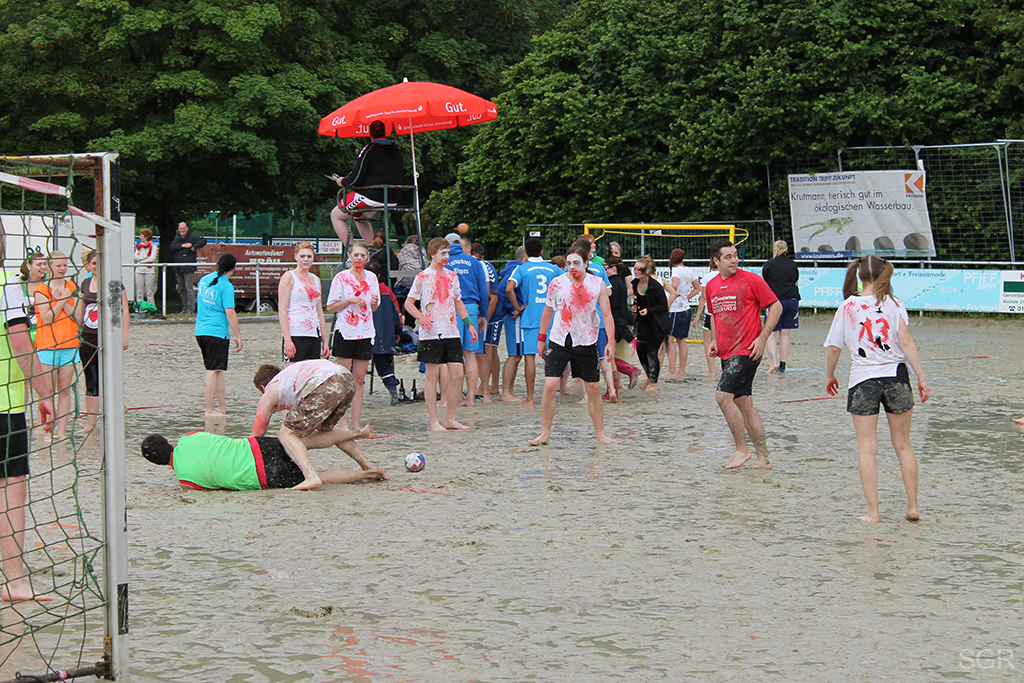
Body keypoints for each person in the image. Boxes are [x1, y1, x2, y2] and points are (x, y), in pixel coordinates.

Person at [824, 256, 929, 523]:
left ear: (859, 275)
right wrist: (921, 376)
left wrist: (830, 375)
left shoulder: (847, 306)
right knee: (904, 446)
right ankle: (913, 506)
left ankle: (873, 513)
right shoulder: (894, 304)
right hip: (896, 376)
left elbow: (835, 348)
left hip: (863, 379)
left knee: (867, 450)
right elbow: (906, 342)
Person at [1, 244, 55, 602]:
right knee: (10, 492)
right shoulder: (7, 284)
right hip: (4, 409)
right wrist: (45, 393)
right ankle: (14, 582)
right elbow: (20, 343)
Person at [706, 239, 782, 470]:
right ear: (716, 261)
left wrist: (762, 338)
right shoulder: (711, 286)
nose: (734, 260)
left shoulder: (751, 280)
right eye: (728, 257)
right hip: (727, 352)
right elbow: (715, 316)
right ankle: (764, 458)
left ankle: (742, 450)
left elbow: (776, 307)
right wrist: (715, 340)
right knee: (744, 403)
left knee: (722, 397)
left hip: (747, 349)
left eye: (736, 255)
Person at [530, 246, 615, 446]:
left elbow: (607, 314)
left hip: (586, 340)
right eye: (569, 263)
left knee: (593, 388)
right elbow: (547, 312)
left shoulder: (597, 284)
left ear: (586, 263)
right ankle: (545, 433)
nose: (572, 267)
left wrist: (610, 341)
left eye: (576, 263)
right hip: (559, 339)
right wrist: (541, 338)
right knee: (550, 386)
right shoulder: (557, 283)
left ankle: (601, 435)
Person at [252, 360, 375, 491]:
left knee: (285, 434)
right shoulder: (290, 379)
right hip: (346, 379)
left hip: (325, 382)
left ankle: (311, 477)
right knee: (325, 430)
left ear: (263, 387)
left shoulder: (271, 388)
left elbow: (257, 433)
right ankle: (368, 466)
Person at [141, 429, 386, 491]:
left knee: (320, 478)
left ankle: (370, 474)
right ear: (168, 441)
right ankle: (356, 432)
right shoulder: (189, 438)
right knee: (305, 442)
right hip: (255, 446)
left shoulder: (185, 482)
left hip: (261, 475)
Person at [403, 237, 478, 431]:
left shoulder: (452, 276)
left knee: (458, 374)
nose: (446, 256)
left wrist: (469, 324)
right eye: (442, 253)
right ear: (432, 254)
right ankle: (434, 421)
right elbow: (408, 303)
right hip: (431, 333)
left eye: (448, 253)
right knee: (432, 376)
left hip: (451, 331)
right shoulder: (423, 277)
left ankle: (450, 418)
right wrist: (421, 317)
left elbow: (459, 303)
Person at [326, 241, 379, 430]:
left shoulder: (371, 278)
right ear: (350, 256)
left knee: (359, 379)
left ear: (367, 258)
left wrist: (373, 302)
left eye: (362, 255)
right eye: (356, 255)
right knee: (343, 379)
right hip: (346, 331)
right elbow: (330, 307)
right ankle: (342, 422)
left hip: (365, 332)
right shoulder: (341, 278)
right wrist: (349, 300)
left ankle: (355, 423)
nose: (359, 258)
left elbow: (374, 307)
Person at [77, 249, 130, 436]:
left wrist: (124, 335)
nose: (97, 267)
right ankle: (91, 423)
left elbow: (124, 310)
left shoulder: (114, 284)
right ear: (88, 265)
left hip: (109, 336)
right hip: (88, 337)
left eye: (100, 263)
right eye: (93, 263)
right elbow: (80, 312)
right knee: (91, 378)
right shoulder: (85, 283)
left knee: (111, 375)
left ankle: (116, 414)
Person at [506, 238, 564, 406]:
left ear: (526, 253)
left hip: (530, 318)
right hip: (551, 318)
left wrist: (518, 307)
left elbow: (509, 288)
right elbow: (566, 283)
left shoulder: (522, 268)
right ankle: (551, 396)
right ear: (542, 252)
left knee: (529, 358)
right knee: (552, 358)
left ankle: (530, 398)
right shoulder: (553, 268)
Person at [33, 250, 82, 438]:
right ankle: (43, 429)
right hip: (47, 345)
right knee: (47, 392)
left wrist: (62, 298)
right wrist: (61, 299)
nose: (62, 269)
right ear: (49, 266)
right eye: (58, 265)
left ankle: (61, 432)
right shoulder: (41, 289)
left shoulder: (72, 286)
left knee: (64, 391)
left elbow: (77, 317)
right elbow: (47, 318)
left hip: (69, 344)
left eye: (65, 265)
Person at [331, 120, 403, 246]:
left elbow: (355, 178)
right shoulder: (396, 151)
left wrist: (342, 181)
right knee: (360, 217)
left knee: (336, 215)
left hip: (371, 196)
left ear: (369, 133)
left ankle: (351, 251)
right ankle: (372, 249)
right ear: (386, 132)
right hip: (393, 197)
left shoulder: (369, 149)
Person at [195, 253, 243, 417]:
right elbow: (230, 313)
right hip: (216, 332)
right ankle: (209, 409)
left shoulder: (204, 280)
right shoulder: (226, 286)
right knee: (212, 370)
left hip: (200, 330)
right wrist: (238, 336)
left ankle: (222, 407)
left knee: (218, 371)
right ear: (233, 269)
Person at [444, 233, 488, 407]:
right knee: (470, 355)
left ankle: (452, 397)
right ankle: (470, 397)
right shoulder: (474, 261)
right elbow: (483, 290)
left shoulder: (444, 261)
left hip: (450, 308)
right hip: (471, 308)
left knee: (449, 355)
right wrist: (483, 313)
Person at [278, 241, 329, 364]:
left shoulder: (316, 279)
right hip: (295, 333)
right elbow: (282, 310)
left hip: (313, 334)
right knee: (293, 372)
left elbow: (319, 312)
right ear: (296, 257)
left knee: (312, 372)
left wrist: (325, 340)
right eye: (302, 256)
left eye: (309, 256)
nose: (306, 260)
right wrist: (287, 339)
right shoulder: (289, 277)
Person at [365, 260, 403, 405]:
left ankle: (351, 397)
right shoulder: (387, 291)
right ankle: (393, 394)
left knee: (356, 367)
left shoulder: (360, 289)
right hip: (384, 337)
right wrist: (398, 331)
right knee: (385, 367)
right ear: (379, 275)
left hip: (363, 335)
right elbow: (397, 314)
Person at [761, 240, 801, 374]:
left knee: (771, 333)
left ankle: (773, 362)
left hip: (775, 301)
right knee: (785, 334)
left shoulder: (769, 264)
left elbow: (765, 282)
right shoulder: (792, 264)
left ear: (775, 249)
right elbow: (796, 280)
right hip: (792, 300)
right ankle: (783, 365)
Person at [631, 255, 670, 392]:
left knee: (652, 353)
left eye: (639, 270)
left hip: (657, 323)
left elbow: (663, 306)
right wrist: (635, 307)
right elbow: (637, 300)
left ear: (647, 271)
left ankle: (653, 383)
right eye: (634, 269)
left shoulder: (656, 286)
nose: (635, 272)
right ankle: (649, 376)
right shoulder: (634, 283)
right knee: (641, 352)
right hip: (642, 322)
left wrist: (649, 310)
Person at [603, 257, 640, 395]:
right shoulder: (620, 282)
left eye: (605, 267)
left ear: (614, 268)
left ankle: (629, 370)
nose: (603, 270)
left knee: (605, 358)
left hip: (614, 324)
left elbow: (610, 306)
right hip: (620, 323)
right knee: (608, 357)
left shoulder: (612, 284)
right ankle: (613, 389)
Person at [470, 242, 499, 403]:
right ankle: (491, 385)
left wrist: (485, 317)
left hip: (491, 313)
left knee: (487, 350)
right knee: (489, 350)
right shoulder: (485, 266)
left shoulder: (483, 267)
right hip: (488, 312)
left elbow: (492, 297)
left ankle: (487, 386)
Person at [498, 246, 527, 402]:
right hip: (514, 317)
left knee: (517, 355)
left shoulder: (513, 268)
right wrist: (514, 308)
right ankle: (506, 392)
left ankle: (510, 390)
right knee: (514, 355)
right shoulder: (516, 269)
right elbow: (504, 289)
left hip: (515, 316)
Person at [666, 248, 698, 379]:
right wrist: (687, 297)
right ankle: (681, 370)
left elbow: (674, 285)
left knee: (670, 340)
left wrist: (671, 294)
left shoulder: (676, 271)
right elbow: (697, 288)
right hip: (686, 308)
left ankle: (672, 370)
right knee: (682, 340)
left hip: (676, 309)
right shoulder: (689, 271)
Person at [169, 221, 207, 315]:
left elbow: (203, 241)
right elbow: (172, 247)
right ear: (178, 229)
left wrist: (194, 247)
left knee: (189, 288)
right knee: (182, 289)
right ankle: (184, 308)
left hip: (188, 267)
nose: (182, 230)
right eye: (180, 229)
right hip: (179, 266)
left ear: (187, 229)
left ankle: (191, 309)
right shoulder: (177, 238)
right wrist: (183, 246)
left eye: (184, 228)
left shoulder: (192, 237)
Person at [695, 258, 720, 375]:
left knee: (707, 342)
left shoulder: (707, 277)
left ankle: (712, 370)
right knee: (724, 340)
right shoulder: (725, 275)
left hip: (710, 312)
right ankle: (724, 368)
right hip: (723, 312)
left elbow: (703, 297)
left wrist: (697, 316)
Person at [133, 228, 157, 306]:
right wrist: (144, 258)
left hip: (149, 271)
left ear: (146, 237)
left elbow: (152, 258)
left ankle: (150, 307)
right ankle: (140, 307)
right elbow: (135, 256)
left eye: (142, 236)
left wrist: (141, 261)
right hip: (139, 270)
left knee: (149, 291)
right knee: (139, 291)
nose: (140, 237)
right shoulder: (139, 247)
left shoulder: (153, 247)